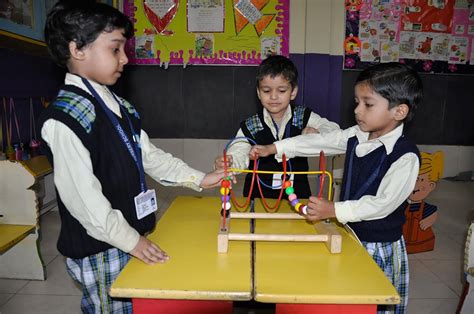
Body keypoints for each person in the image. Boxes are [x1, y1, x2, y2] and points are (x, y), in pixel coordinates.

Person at [40, 1, 226, 312]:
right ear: (78, 50)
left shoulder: (119, 106)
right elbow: (84, 202)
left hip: (127, 234)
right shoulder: (66, 118)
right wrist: (133, 242)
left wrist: (199, 178)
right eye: (115, 49)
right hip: (100, 247)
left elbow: (149, 156)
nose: (125, 58)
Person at [250, 62, 423, 313]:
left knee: (373, 301)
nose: (357, 111)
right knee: (347, 296)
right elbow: (321, 141)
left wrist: (333, 209)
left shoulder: (405, 157)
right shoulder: (357, 135)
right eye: (357, 102)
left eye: (368, 104)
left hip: (377, 245)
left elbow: (381, 204)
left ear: (399, 111)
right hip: (350, 234)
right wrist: (275, 148)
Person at [215, 55, 339, 199]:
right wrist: (230, 162)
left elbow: (334, 132)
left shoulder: (303, 116)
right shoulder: (250, 125)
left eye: (281, 91)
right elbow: (239, 150)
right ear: (258, 93)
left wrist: (318, 133)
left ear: (293, 92)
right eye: (267, 91)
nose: (273, 97)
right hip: (258, 198)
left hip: (298, 197)